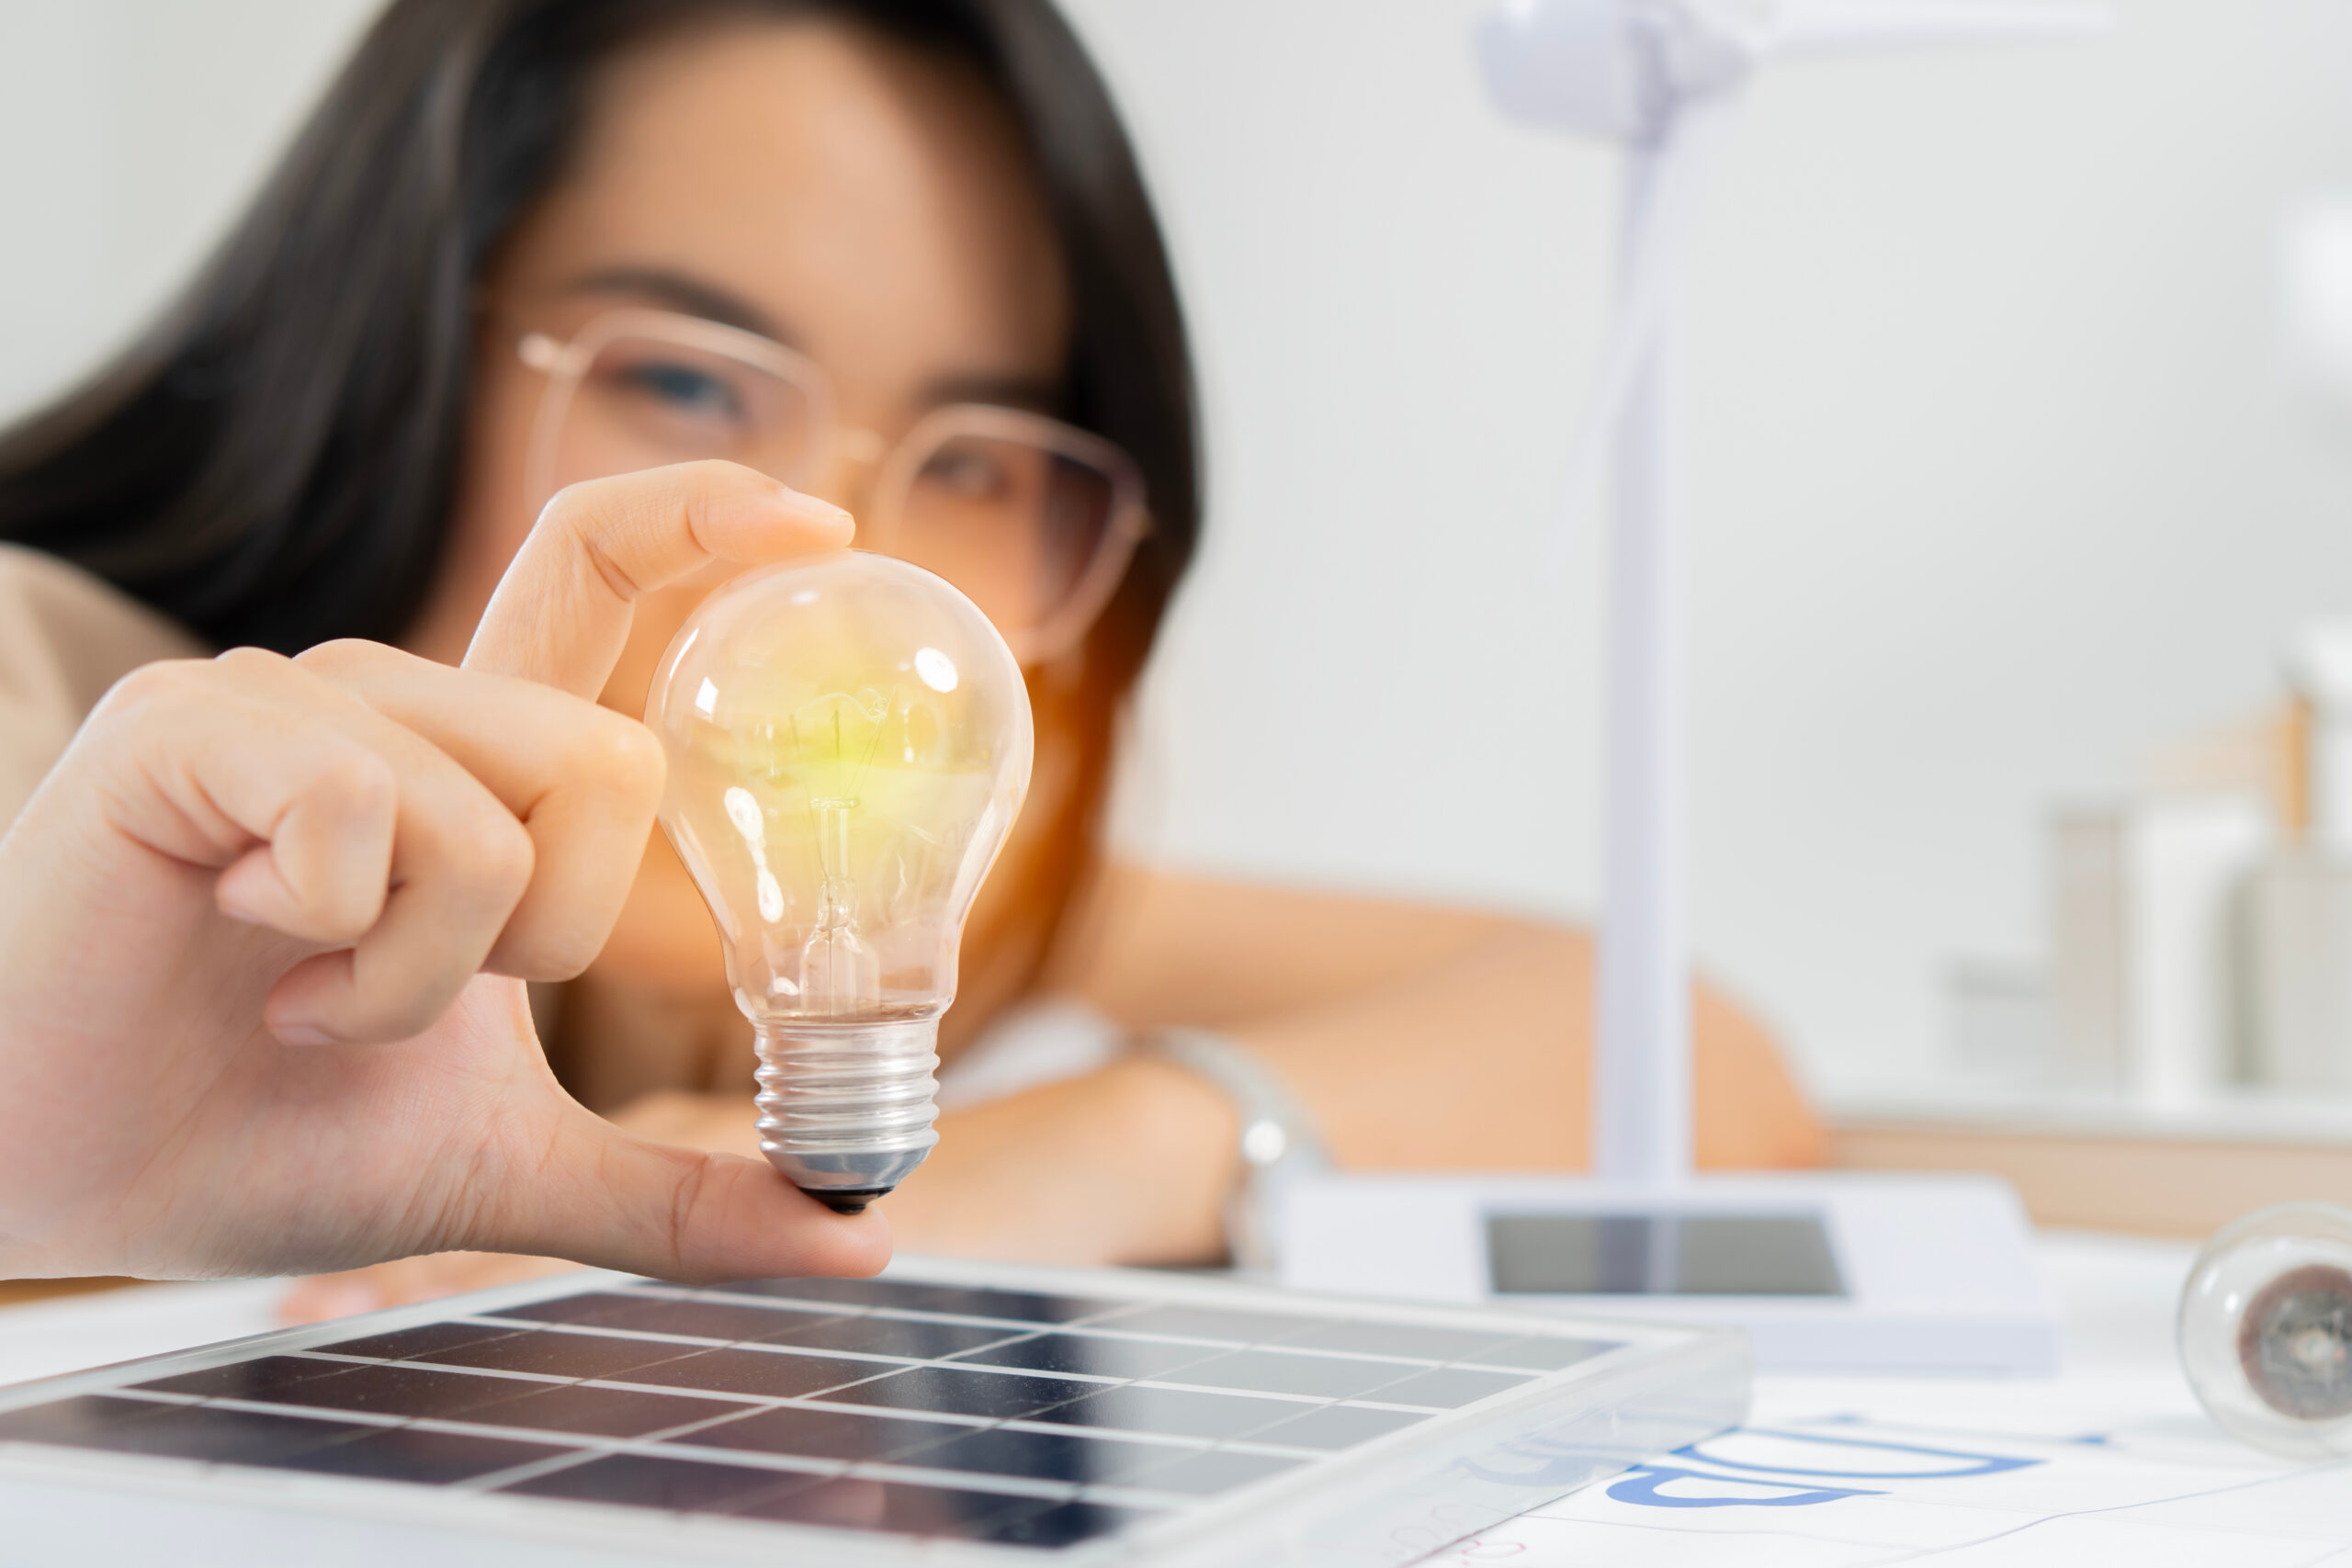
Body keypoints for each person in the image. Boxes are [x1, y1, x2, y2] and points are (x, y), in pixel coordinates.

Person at [0, 0, 1822, 1302]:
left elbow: (1684, 1050)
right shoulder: (70, 712)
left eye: (982, 457)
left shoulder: (770, 876)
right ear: (388, 343)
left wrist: (1070, 1158)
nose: (836, 555)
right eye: (688, 374)